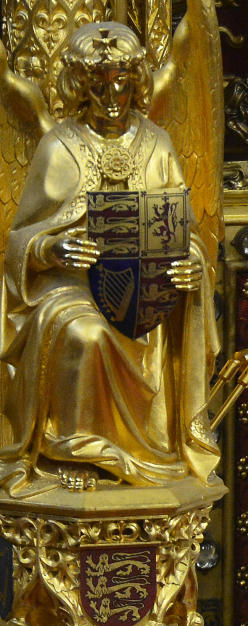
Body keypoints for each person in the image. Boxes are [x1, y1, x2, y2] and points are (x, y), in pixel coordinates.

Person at [0, 22, 220, 495]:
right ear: (79, 86)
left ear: (139, 81)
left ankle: (153, 453)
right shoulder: (58, 145)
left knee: (149, 326)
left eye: (123, 79)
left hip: (146, 291)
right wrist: (50, 248)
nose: (113, 94)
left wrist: (192, 264)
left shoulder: (157, 142)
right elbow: (20, 240)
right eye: (99, 84)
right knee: (87, 334)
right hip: (71, 288)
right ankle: (74, 452)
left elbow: (186, 230)